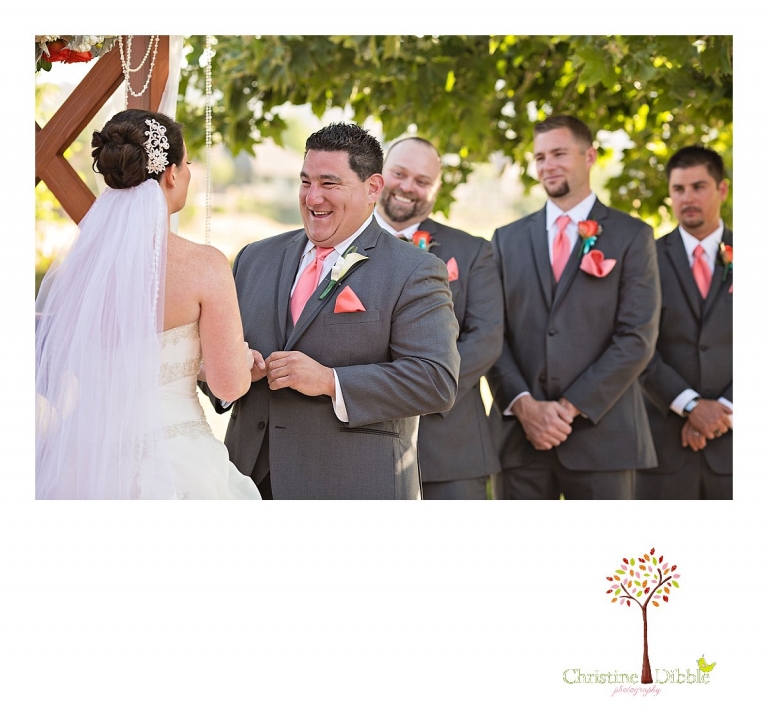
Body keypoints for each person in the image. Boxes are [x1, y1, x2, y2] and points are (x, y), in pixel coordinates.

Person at [205, 122, 460, 499]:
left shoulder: (415, 270)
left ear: (373, 187)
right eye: (305, 181)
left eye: (329, 183)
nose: (312, 198)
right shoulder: (253, 258)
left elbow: (436, 380)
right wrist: (234, 370)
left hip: (351, 484)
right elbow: (208, 362)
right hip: (246, 483)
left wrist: (330, 381)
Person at [35, 109, 261, 499]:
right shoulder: (204, 265)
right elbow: (230, 385)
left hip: (87, 458)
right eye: (187, 162)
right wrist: (240, 360)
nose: (188, 172)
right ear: (171, 173)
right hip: (176, 460)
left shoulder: (80, 267)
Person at [486, 115, 661, 499]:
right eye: (540, 157)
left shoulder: (633, 236)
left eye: (559, 153)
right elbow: (490, 333)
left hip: (605, 439)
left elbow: (637, 337)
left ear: (590, 156)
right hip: (519, 439)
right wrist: (525, 406)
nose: (548, 165)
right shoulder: (505, 239)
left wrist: (568, 408)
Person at [373, 137, 503, 499]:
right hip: (358, 440)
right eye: (399, 173)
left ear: (436, 189)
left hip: (451, 449)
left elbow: (487, 337)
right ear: (378, 175)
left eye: (422, 181)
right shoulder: (341, 244)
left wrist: (418, 388)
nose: (408, 187)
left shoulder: (473, 251)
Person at [637, 146, 733, 499]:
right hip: (664, 447)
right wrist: (690, 405)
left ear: (721, 190)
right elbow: (637, 344)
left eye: (698, 187)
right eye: (678, 189)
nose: (687, 198)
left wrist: (723, 413)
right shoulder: (644, 259)